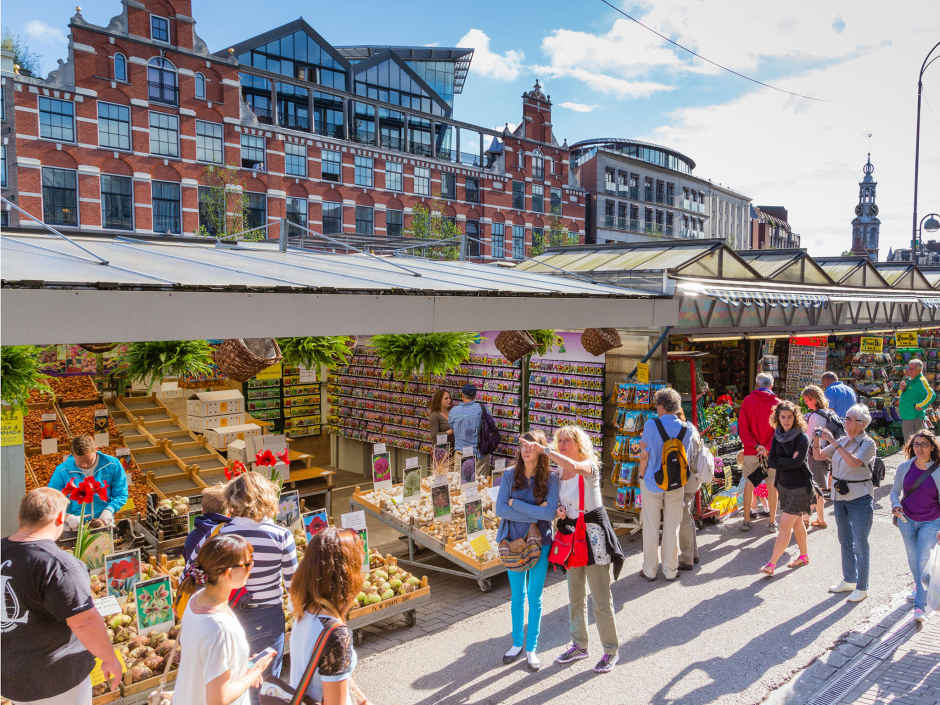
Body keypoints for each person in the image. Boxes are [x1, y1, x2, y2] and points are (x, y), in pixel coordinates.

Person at [1, 488, 122, 705]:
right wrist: (109, 657)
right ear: (59, 518)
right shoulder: (57, 564)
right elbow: (84, 621)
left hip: (11, 677)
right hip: (57, 679)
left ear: (21, 517)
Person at [522, 426, 623, 674]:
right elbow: (555, 499)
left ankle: (611, 650)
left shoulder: (589, 466)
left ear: (580, 444)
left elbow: (575, 467)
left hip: (593, 537)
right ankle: (579, 644)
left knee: (601, 598)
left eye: (568, 441)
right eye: (561, 441)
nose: (564, 444)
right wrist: (558, 511)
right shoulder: (558, 476)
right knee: (575, 596)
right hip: (570, 536)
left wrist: (544, 450)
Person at [220, 472, 298, 702]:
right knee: (264, 683)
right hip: (268, 615)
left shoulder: (223, 534)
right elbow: (293, 584)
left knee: (233, 678)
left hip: (230, 613)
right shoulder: (281, 535)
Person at [173, 534, 274, 705]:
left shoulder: (195, 601)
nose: (252, 568)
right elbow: (218, 700)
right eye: (248, 564)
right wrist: (253, 673)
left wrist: (243, 665)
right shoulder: (220, 628)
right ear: (228, 573)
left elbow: (209, 661)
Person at [494, 430, 560, 671]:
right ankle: (516, 643)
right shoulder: (510, 475)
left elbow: (549, 513)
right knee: (517, 597)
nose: (527, 449)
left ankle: (531, 647)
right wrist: (535, 509)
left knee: (535, 597)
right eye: (523, 445)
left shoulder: (551, 478)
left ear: (541, 450)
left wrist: (517, 505)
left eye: (532, 445)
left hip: (540, 542)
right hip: (512, 541)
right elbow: (501, 509)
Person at [288, 528, 374, 705]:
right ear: (347, 575)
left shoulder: (303, 608)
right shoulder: (336, 635)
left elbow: (330, 673)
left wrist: (359, 696)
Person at [813, 403, 877, 603]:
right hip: (840, 496)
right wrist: (817, 439)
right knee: (844, 539)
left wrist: (833, 441)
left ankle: (862, 585)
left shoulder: (867, 443)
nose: (845, 422)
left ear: (862, 423)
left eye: (849, 419)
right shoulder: (842, 440)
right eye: (846, 418)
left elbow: (854, 462)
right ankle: (849, 578)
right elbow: (818, 456)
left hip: (860, 497)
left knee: (860, 542)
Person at [638, 388, 695, 580]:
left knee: (651, 526)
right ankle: (670, 570)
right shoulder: (687, 428)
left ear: (661, 406)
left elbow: (644, 455)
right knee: (672, 526)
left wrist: (640, 475)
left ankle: (650, 569)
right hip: (676, 483)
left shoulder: (651, 426)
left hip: (653, 482)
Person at [890, 430, 940, 623]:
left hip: (931, 521)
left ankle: (919, 607)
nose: (920, 448)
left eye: (924, 444)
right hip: (907, 521)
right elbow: (895, 492)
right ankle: (923, 587)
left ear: (932, 448)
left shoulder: (937, 471)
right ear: (911, 447)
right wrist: (895, 505)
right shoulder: (904, 467)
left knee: (921, 560)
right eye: (916, 444)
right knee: (914, 560)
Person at [760, 401, 815, 575]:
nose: (786, 420)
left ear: (795, 417)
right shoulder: (777, 436)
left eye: (789, 417)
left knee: (785, 526)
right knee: (797, 524)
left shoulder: (802, 438)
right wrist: (786, 461)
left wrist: (782, 461)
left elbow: (796, 462)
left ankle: (771, 564)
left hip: (799, 486)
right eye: (783, 417)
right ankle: (804, 556)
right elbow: (772, 461)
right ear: (777, 418)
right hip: (784, 485)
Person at [48, 435, 129, 527]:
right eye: (80, 463)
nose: (85, 465)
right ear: (72, 454)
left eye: (89, 461)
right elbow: (51, 501)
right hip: (74, 525)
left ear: (96, 449)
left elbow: (121, 494)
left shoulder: (113, 465)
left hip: (103, 522)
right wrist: (67, 517)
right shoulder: (62, 470)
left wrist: (109, 510)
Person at [738, 373, 781, 531]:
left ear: (757, 385)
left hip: (751, 451)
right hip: (771, 452)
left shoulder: (748, 401)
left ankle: (746, 520)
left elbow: (743, 428)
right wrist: (767, 447)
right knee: (772, 485)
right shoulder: (777, 403)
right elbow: (779, 430)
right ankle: (771, 522)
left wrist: (755, 446)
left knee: (749, 484)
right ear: (771, 385)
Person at [676, 408, 711, 570]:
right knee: (687, 514)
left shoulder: (684, 431)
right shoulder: (691, 427)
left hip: (686, 477)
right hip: (694, 478)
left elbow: (685, 459)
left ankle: (686, 557)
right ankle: (694, 552)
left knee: (683, 517)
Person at [802, 385, 831, 528]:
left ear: (814, 399)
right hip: (826, 453)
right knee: (819, 488)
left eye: (807, 400)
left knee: (813, 489)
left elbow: (809, 438)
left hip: (815, 454)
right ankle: (820, 518)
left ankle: (806, 519)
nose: (806, 403)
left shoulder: (815, 416)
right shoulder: (828, 413)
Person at [184, 483, 231, 564]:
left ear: (202, 510)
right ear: (228, 511)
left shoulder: (192, 536)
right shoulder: (232, 534)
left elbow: (188, 561)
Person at [448, 383, 489, 476]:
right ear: (475, 395)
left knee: (460, 485)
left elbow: (452, 428)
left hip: (460, 453)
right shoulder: (483, 409)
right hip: (479, 453)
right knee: (480, 485)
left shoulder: (454, 411)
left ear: (462, 395)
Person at [899, 359, 936, 443]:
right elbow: (907, 395)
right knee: (910, 444)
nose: (908, 370)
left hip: (914, 418)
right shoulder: (909, 379)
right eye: (908, 368)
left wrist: (921, 405)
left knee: (916, 444)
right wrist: (902, 389)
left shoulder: (921, 381)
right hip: (907, 416)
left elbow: (932, 394)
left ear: (919, 370)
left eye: (911, 369)